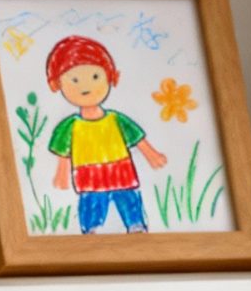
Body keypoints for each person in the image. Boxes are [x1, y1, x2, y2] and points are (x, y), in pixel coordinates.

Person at [44, 35, 167, 233]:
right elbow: (63, 152)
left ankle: (136, 226)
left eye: (95, 77)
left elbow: (137, 138)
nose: (85, 87)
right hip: (88, 175)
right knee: (92, 204)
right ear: (57, 84)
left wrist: (152, 154)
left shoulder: (116, 119)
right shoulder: (69, 126)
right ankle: (91, 230)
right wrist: (61, 174)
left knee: (128, 199)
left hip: (121, 171)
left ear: (110, 77)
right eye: (74, 80)